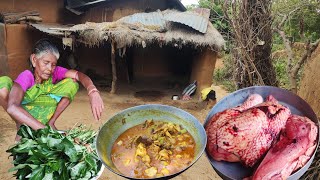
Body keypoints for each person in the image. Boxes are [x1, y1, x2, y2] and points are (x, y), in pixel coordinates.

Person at [0, 39, 104, 135]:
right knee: (2, 86)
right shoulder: (26, 76)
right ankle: (21, 125)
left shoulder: (55, 72)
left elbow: (78, 75)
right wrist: (45, 131)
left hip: (43, 116)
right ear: (34, 59)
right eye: (46, 63)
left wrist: (93, 91)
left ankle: (51, 122)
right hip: (25, 114)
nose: (50, 68)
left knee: (72, 83)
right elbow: (12, 107)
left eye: (53, 64)